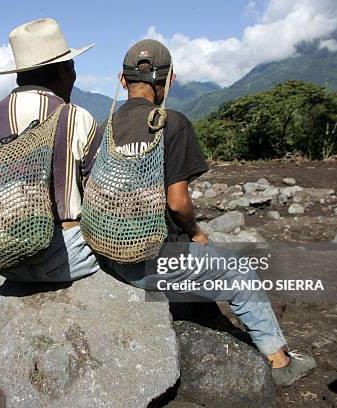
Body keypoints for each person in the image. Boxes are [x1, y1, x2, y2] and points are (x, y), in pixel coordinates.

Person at [97, 39, 316, 386]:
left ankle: (199, 313)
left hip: (110, 255)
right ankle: (280, 362)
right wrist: (197, 232)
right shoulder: (172, 123)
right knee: (239, 270)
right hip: (150, 260)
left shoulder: (103, 129)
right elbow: (178, 203)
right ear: (169, 79)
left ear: (122, 81)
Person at [0, 18, 101, 282]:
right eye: (72, 67)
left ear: (20, 74)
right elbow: (100, 196)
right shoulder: (75, 116)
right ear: (63, 71)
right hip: (65, 257)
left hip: (4, 259)